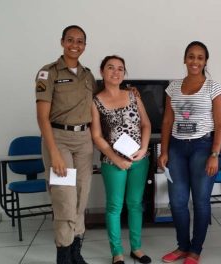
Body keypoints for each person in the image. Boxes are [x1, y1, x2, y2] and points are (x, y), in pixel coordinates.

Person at [158, 41, 221, 264]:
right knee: (177, 201)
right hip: (177, 147)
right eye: (191, 56)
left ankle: (195, 250)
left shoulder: (213, 88)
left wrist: (215, 154)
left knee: (200, 201)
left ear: (205, 61)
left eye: (200, 57)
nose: (195, 61)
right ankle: (182, 247)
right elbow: (167, 120)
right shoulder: (173, 87)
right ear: (184, 59)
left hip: (203, 147)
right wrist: (164, 151)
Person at [35, 25, 96, 264]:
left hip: (84, 141)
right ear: (62, 42)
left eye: (80, 41)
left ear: (84, 45)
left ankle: (75, 252)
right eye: (70, 40)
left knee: (81, 198)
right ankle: (63, 254)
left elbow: (101, 103)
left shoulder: (88, 75)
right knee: (64, 199)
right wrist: (54, 153)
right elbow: (42, 117)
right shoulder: (47, 73)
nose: (75, 45)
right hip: (58, 139)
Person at [91, 55, 152, 264]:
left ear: (124, 73)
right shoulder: (96, 101)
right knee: (114, 207)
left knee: (135, 204)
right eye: (110, 68)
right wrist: (116, 159)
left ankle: (136, 248)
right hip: (112, 162)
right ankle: (116, 252)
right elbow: (97, 136)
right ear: (102, 71)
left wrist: (143, 149)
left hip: (139, 159)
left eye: (120, 68)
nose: (115, 72)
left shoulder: (133, 96)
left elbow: (146, 125)